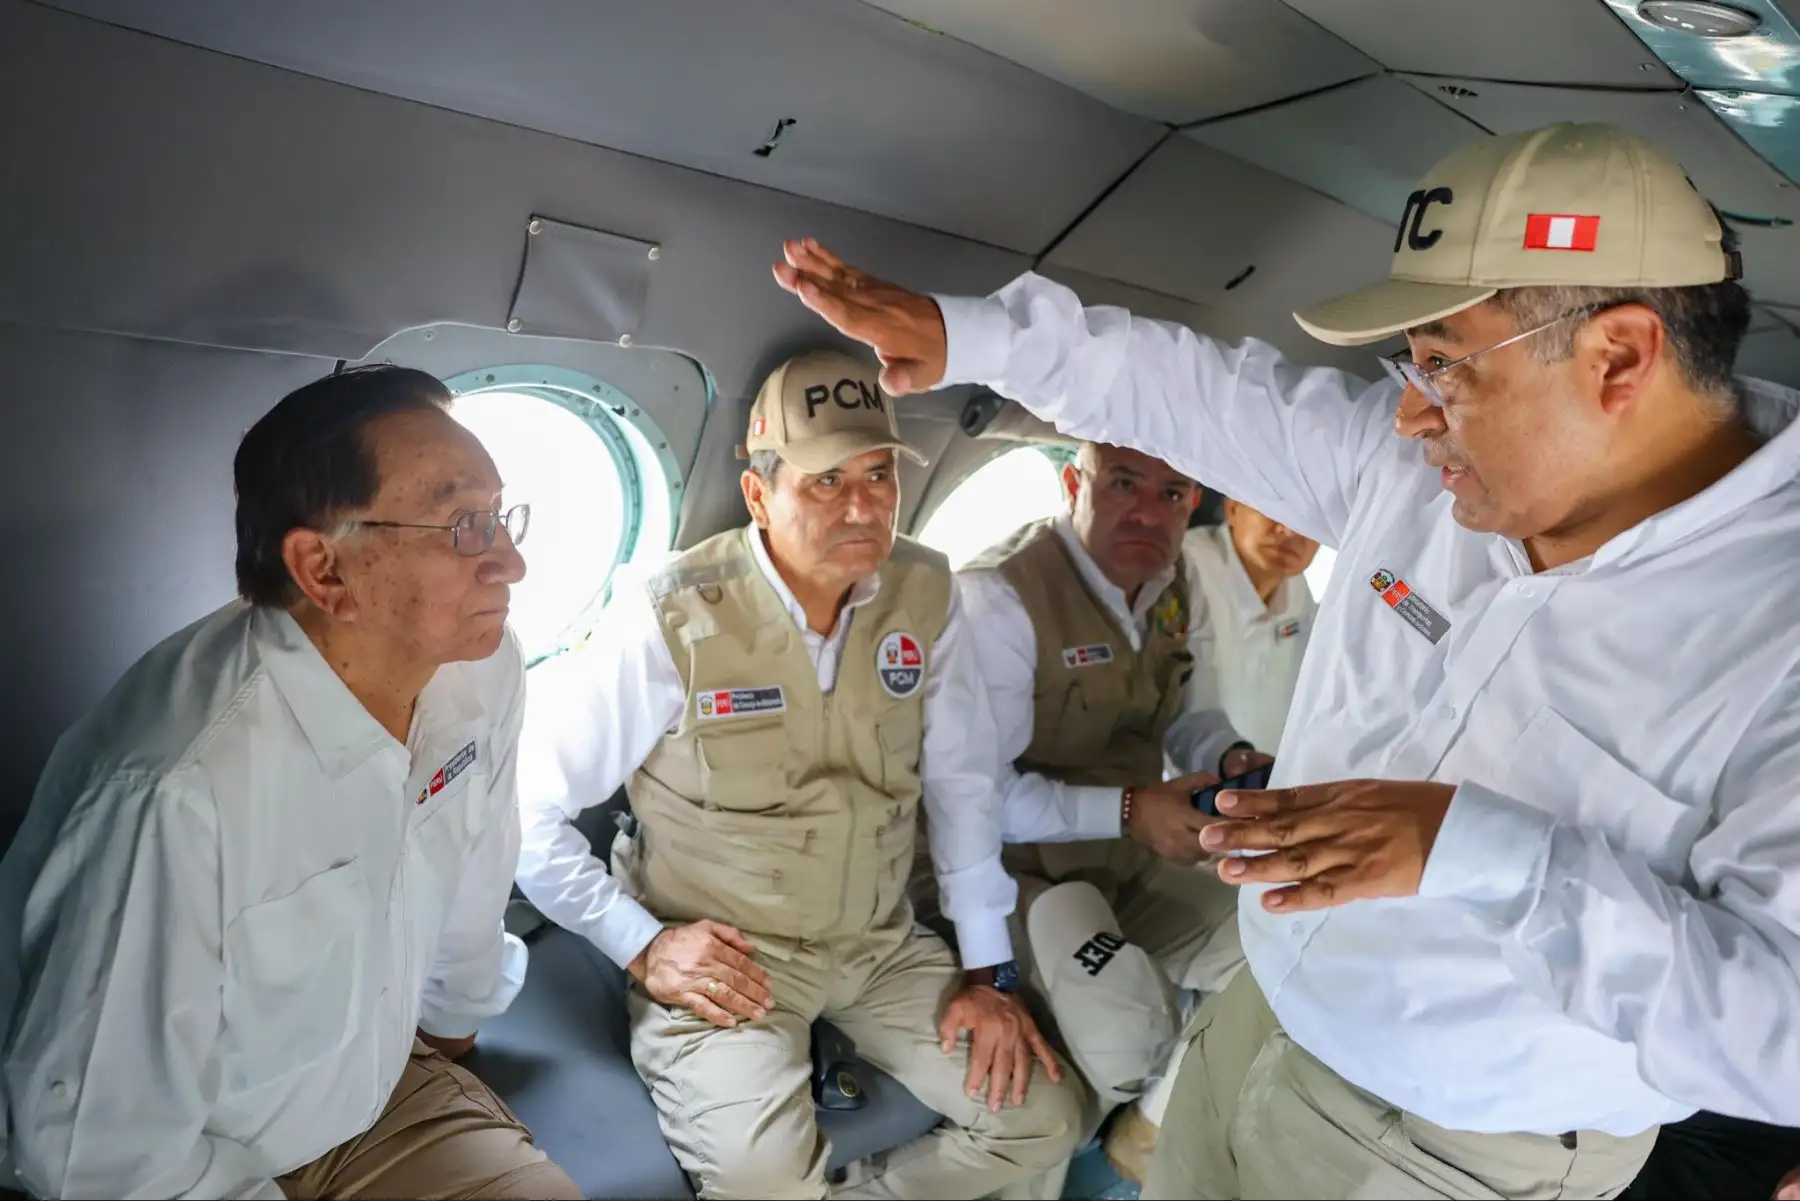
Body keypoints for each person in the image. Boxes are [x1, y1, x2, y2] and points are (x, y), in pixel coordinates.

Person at [772, 119, 1800, 1200]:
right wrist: (972, 337)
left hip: (1447, 1145)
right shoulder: (1416, 469)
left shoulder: (1774, 632)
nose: (1408, 412)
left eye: (1445, 365)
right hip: (1259, 1014)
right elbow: (1200, 390)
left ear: (1620, 356)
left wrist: (1485, 853)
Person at [514, 349, 1085, 1199]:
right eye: (823, 481)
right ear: (758, 495)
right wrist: (644, 945)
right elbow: (526, 815)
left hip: (878, 944)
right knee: (762, 1182)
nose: (862, 506)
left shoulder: (926, 596)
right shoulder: (674, 615)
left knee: (1045, 1116)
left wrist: (989, 973)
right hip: (733, 956)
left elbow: (964, 789)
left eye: (879, 473)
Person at [0, 366, 581, 1199]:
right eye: (463, 525)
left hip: (376, 1095)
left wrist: (451, 1038)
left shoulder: (480, 672)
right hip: (179, 1159)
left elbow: (473, 875)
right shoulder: (177, 788)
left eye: (499, 516)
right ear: (325, 570)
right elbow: (97, 1150)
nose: (511, 562)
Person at [948, 441, 1265, 1179]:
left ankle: (1149, 1135)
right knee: (1122, 1046)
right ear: (1073, 483)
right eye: (1125, 483)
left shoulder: (1172, 579)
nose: (1149, 511)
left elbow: (1190, 718)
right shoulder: (1001, 598)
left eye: (1175, 491)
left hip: (1129, 845)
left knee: (1280, 932)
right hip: (1014, 870)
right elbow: (975, 804)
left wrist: (1230, 758)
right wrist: (1128, 810)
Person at [1182, 498, 1320, 752]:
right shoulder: (1187, 566)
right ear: (1232, 508)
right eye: (1275, 510)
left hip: (1264, 776)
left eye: (1310, 522)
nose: (1289, 531)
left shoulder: (1298, 590)